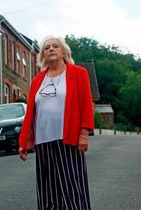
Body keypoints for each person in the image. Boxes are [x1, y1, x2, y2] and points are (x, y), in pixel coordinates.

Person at [18, 35, 94, 210]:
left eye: (55, 46)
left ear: (63, 52)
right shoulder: (37, 80)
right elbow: (30, 113)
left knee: (72, 187)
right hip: (43, 141)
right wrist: (25, 142)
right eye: (46, 48)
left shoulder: (78, 73)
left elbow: (86, 105)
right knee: (47, 189)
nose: (51, 49)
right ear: (43, 55)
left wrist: (84, 134)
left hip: (68, 139)